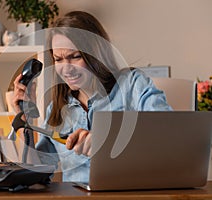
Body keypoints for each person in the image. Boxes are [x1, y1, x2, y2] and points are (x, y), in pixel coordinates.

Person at [11, 10, 172, 182]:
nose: (66, 68)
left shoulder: (132, 85)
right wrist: (24, 120)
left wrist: (108, 139)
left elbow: (168, 132)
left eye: (75, 57)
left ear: (96, 53)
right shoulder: (56, 109)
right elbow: (38, 173)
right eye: (58, 59)